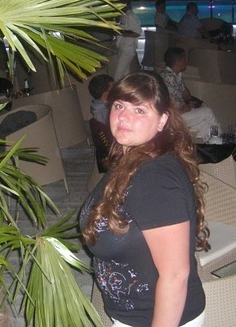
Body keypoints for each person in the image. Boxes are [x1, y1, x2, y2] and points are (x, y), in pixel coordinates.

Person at [80, 71, 209, 327]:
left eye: (139, 110)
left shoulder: (154, 177)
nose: (123, 117)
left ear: (162, 121)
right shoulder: (132, 159)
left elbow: (175, 275)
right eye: (119, 106)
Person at [159, 47, 221, 141]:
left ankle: (205, 145)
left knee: (204, 125)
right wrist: (184, 109)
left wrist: (190, 101)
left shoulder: (176, 75)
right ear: (178, 62)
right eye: (184, 60)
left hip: (182, 112)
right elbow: (166, 104)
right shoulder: (167, 78)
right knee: (207, 112)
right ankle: (221, 140)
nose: (186, 62)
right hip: (173, 117)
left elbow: (185, 91)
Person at [114, 0, 142, 80]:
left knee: (118, 75)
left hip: (128, 49)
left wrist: (122, 33)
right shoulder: (123, 15)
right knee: (125, 74)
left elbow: (137, 33)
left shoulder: (131, 16)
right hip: (122, 48)